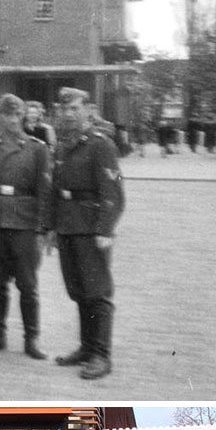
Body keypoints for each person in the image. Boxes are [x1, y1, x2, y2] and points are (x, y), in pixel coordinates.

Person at [48, 87, 124, 380]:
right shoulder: (63, 145)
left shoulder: (102, 145)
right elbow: (56, 190)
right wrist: (52, 228)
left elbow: (115, 193)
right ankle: (86, 347)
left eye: (74, 109)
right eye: (64, 110)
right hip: (68, 227)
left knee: (98, 293)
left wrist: (106, 228)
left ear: (88, 111)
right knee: (79, 291)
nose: (68, 114)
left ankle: (102, 356)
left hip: (91, 229)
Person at [0, 94, 51, 357]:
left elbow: (44, 192)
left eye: (17, 115)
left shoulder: (37, 149)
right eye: (7, 115)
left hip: (24, 224)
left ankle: (31, 339)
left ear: (24, 117)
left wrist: (41, 230)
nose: (13, 120)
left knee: (27, 284)